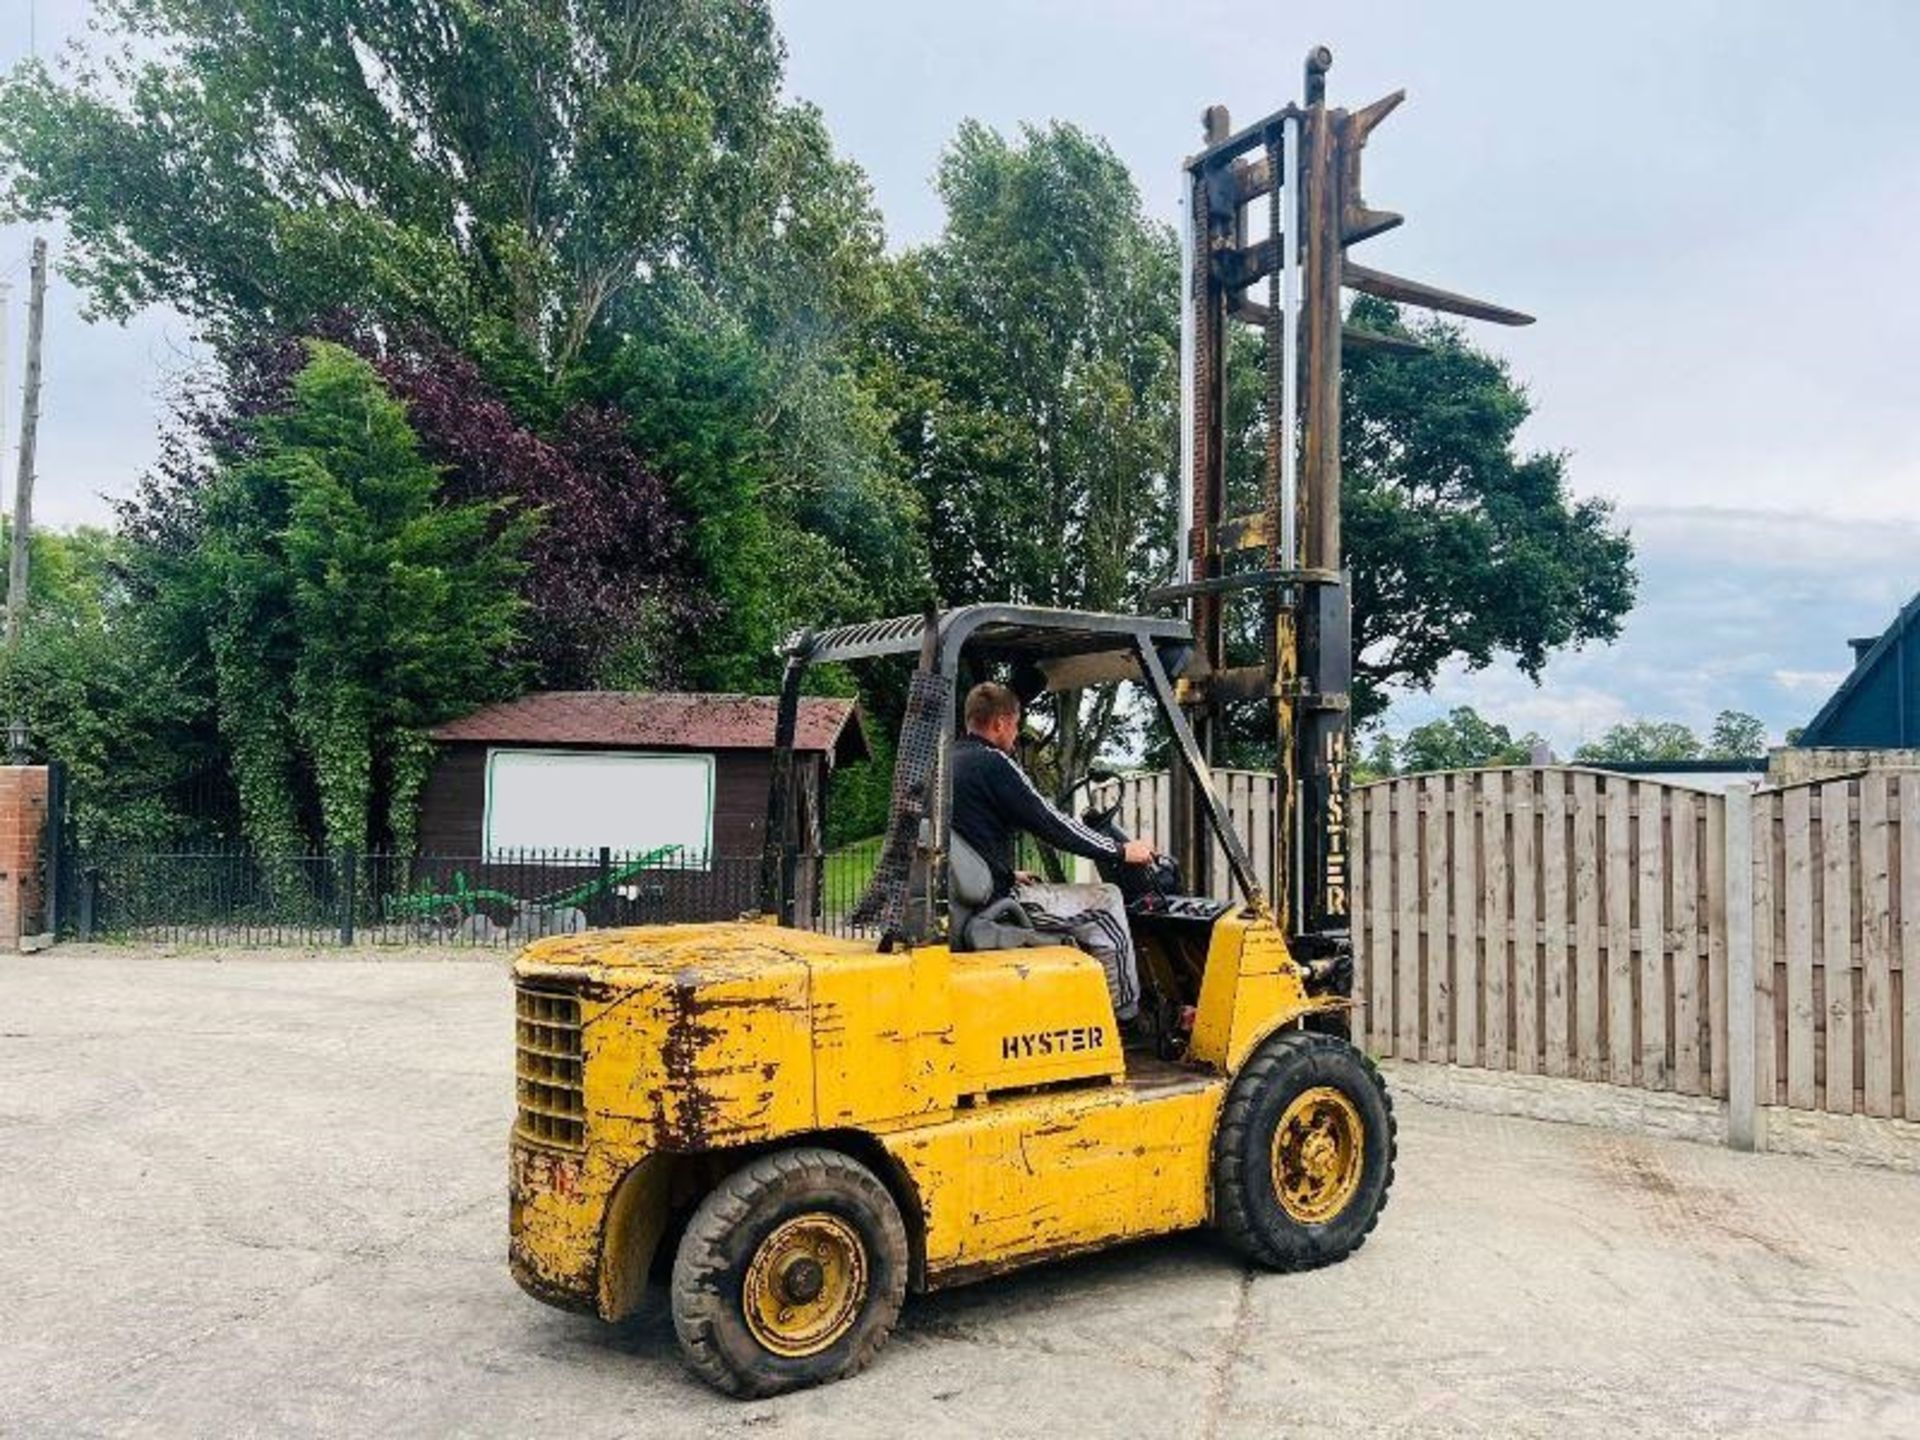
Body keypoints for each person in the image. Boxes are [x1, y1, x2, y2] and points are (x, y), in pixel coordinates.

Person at [950, 681, 1154, 1025]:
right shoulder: (994, 764)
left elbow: (965, 833)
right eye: (1015, 725)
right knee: (1108, 902)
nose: (1016, 735)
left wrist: (1004, 871)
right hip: (995, 903)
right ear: (999, 723)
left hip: (973, 895)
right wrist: (1120, 851)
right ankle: (1126, 1018)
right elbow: (1052, 824)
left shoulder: (947, 761)